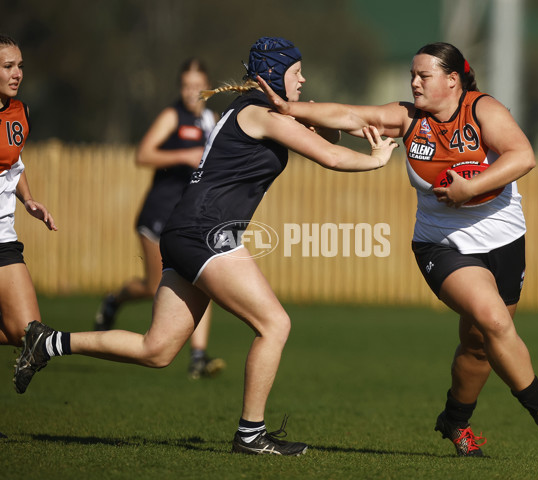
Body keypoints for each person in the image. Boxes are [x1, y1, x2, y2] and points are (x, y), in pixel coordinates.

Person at [13, 37, 398, 455]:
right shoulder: (260, 113)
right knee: (275, 325)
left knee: (156, 349)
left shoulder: (255, 110)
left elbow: (328, 135)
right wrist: (377, 159)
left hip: (186, 231)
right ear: (273, 74)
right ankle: (251, 435)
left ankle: (47, 342)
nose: (302, 79)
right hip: (206, 232)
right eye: (296, 72)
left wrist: (331, 120)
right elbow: (333, 157)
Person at [257, 41, 538, 456]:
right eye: (412, 74)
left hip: (506, 241)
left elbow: (523, 156)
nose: (414, 82)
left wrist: (471, 188)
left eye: (424, 75)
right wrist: (291, 109)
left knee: (480, 343)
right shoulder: (409, 119)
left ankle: (455, 421)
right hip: (441, 245)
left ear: (453, 80)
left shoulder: (483, 110)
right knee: (494, 320)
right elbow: (354, 115)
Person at [94, 58, 225, 379]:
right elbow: (143, 154)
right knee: (155, 286)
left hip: (190, 220)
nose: (192, 92)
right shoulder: (172, 116)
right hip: (158, 215)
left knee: (203, 282)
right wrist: (183, 155)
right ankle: (114, 300)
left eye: (198, 86)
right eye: (186, 86)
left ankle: (198, 358)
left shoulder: (214, 119)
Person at [0, 34, 57, 438]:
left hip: (5, 238)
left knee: (29, 332)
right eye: (7, 67)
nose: (17, 73)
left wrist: (30, 201)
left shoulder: (20, 112)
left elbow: (14, 164)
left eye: (20, 66)